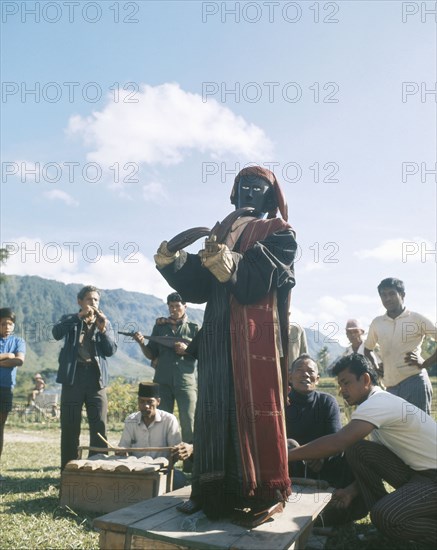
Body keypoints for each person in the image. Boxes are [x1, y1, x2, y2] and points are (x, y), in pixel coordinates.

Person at [154, 166, 297, 524]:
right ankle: (207, 492)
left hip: (252, 338)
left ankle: (262, 491)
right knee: (211, 411)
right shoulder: (219, 230)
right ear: (234, 192)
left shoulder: (280, 232)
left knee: (247, 411)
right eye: (244, 185)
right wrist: (176, 262)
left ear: (270, 195)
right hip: (216, 332)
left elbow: (253, 281)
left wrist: (229, 261)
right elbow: (202, 287)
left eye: (258, 186)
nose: (250, 191)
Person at [288, 353, 437, 546]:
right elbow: (366, 456)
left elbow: (338, 441)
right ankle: (387, 525)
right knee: (358, 450)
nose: (342, 391)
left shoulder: (378, 403)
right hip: (420, 476)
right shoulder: (376, 407)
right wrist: (350, 491)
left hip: (432, 478)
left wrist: (286, 456)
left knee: (387, 516)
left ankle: (394, 523)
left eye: (346, 383)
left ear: (365, 379)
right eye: (340, 385)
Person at [286, 354, 365, 525]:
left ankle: (336, 502)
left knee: (354, 450)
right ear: (289, 377)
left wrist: (321, 456)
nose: (305, 374)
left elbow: (336, 438)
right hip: (290, 465)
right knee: (289, 444)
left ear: (318, 379)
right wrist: (301, 452)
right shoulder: (280, 403)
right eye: (299, 370)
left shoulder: (327, 402)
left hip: (324, 465)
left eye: (310, 371)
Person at [52, 285, 117, 471]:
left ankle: (97, 468)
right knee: (70, 426)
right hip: (73, 377)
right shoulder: (70, 319)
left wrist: (103, 330)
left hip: (96, 379)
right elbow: (56, 333)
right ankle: (68, 470)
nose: (93, 303)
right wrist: (78, 317)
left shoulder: (105, 322)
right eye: (89, 299)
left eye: (96, 300)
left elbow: (111, 350)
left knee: (99, 425)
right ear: (80, 302)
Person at [133, 292, 198, 447]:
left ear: (185, 307)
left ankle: (191, 464)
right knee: (161, 423)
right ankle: (163, 461)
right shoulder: (160, 328)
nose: (174, 310)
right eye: (171, 306)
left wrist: (187, 350)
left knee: (189, 422)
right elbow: (151, 354)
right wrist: (141, 343)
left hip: (186, 383)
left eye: (177, 306)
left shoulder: (193, 329)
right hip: (162, 383)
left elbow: (205, 353)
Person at [364, 277, 436, 414]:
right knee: (396, 432)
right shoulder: (377, 323)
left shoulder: (416, 318)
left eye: (391, 293)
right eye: (383, 295)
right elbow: (368, 349)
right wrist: (375, 366)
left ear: (402, 295)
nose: (387, 299)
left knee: (419, 430)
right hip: (390, 387)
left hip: (415, 382)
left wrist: (425, 363)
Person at [118, 382, 193, 489]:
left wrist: (163, 464)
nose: (146, 406)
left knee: (179, 480)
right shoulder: (131, 420)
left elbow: (175, 454)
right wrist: (121, 452)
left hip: (161, 470)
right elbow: (123, 448)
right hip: (135, 471)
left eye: (150, 402)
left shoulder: (169, 420)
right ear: (138, 402)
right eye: (142, 402)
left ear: (158, 402)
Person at [0, 308, 26, 480]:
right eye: (3, 324)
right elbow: (13, 359)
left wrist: (8, 356)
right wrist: (7, 356)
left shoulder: (18, 341)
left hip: (5, 389)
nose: (7, 327)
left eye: (10, 324)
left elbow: (19, 360)